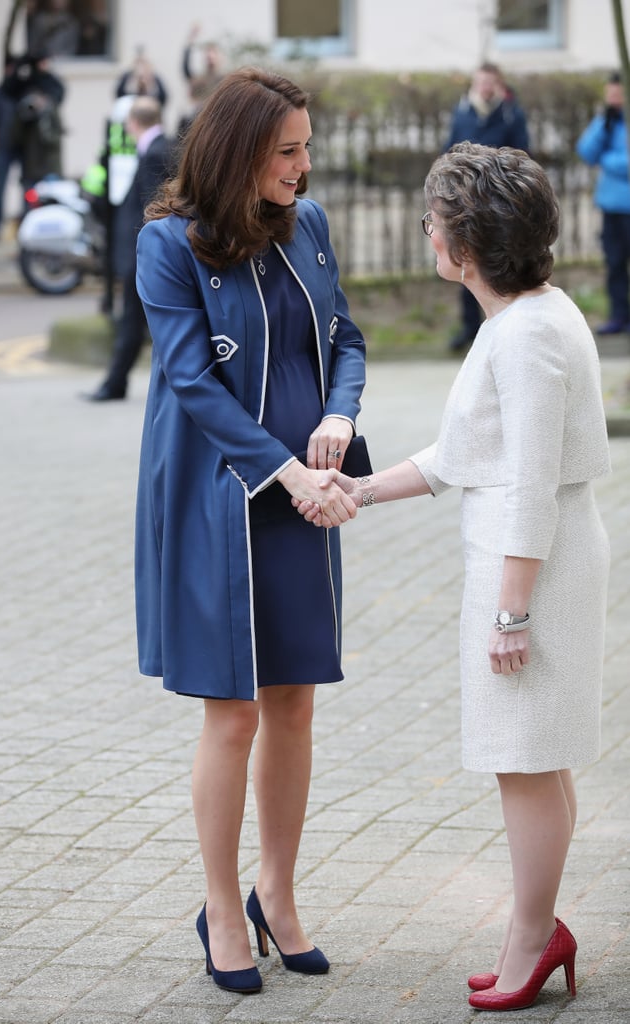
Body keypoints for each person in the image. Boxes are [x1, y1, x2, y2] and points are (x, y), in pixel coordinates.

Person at [298, 142, 611, 1012]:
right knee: (537, 761)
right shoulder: (526, 320)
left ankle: (532, 935)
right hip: (533, 560)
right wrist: (362, 490)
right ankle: (535, 927)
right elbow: (467, 453)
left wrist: (510, 615)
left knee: (524, 761)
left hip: (532, 570)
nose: (425, 229)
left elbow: (530, 480)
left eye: (434, 218)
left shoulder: (525, 336)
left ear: (464, 245)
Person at [133, 67, 366, 994]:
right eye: (288, 150)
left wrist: (340, 424)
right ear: (238, 153)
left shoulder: (306, 225)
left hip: (307, 491)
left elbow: (343, 338)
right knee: (230, 714)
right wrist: (288, 472)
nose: (304, 167)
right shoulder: (167, 245)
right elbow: (190, 382)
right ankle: (221, 905)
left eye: (306, 147)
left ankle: (277, 890)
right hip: (218, 502)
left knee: (295, 700)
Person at [81, 96, 174, 401]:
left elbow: (151, 210)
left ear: (133, 123)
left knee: (132, 319)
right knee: (135, 320)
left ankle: (114, 384)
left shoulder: (153, 154)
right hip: (151, 256)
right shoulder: (164, 147)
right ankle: (115, 382)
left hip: (146, 256)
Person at [443, 63, 529, 351]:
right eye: (480, 81)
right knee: (467, 266)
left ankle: (504, 325)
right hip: (466, 205)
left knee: (500, 266)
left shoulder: (510, 114)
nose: (485, 86)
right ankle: (470, 327)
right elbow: (449, 153)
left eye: (490, 81)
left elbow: (521, 157)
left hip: (499, 206)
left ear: (499, 84)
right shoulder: (463, 111)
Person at [577, 72, 630, 334]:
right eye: (609, 94)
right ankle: (620, 316)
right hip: (611, 206)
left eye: (616, 93)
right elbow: (586, 151)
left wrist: (608, 162)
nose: (613, 99)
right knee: (615, 264)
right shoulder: (609, 120)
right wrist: (603, 127)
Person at [5, 51, 66, 195]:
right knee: (31, 202)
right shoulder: (25, 108)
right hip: (31, 165)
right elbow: (17, 135)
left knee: (52, 199)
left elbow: (55, 135)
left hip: (49, 165)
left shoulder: (51, 107)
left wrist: (44, 117)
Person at [0, 54, 22, 239]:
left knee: (27, 190)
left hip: (22, 148)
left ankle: (23, 227)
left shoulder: (23, 91)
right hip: (2, 146)